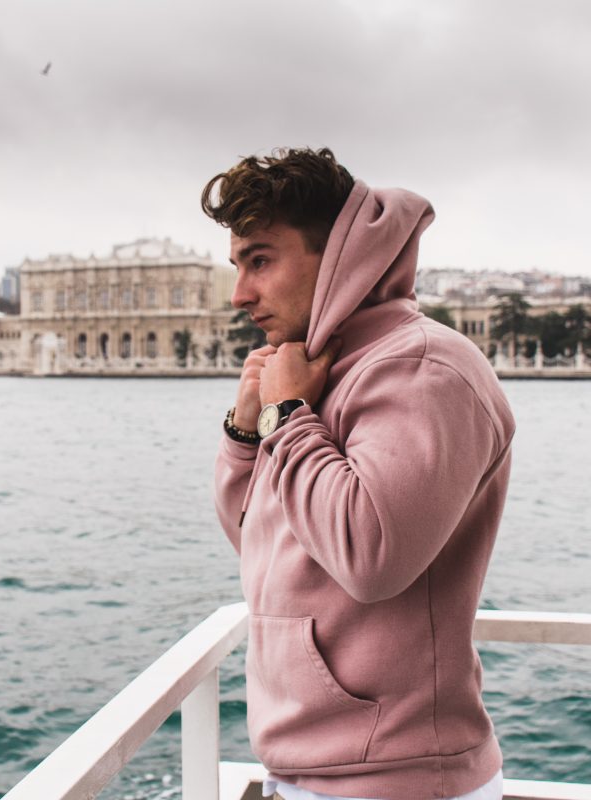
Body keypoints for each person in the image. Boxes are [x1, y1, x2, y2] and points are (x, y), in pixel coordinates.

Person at [203, 148, 514, 800]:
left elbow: (371, 556)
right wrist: (247, 429)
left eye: (260, 260)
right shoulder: (310, 369)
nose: (240, 294)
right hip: (313, 766)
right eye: (238, 267)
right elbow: (258, 541)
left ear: (342, 256)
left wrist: (288, 416)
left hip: (398, 778)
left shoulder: (425, 368)